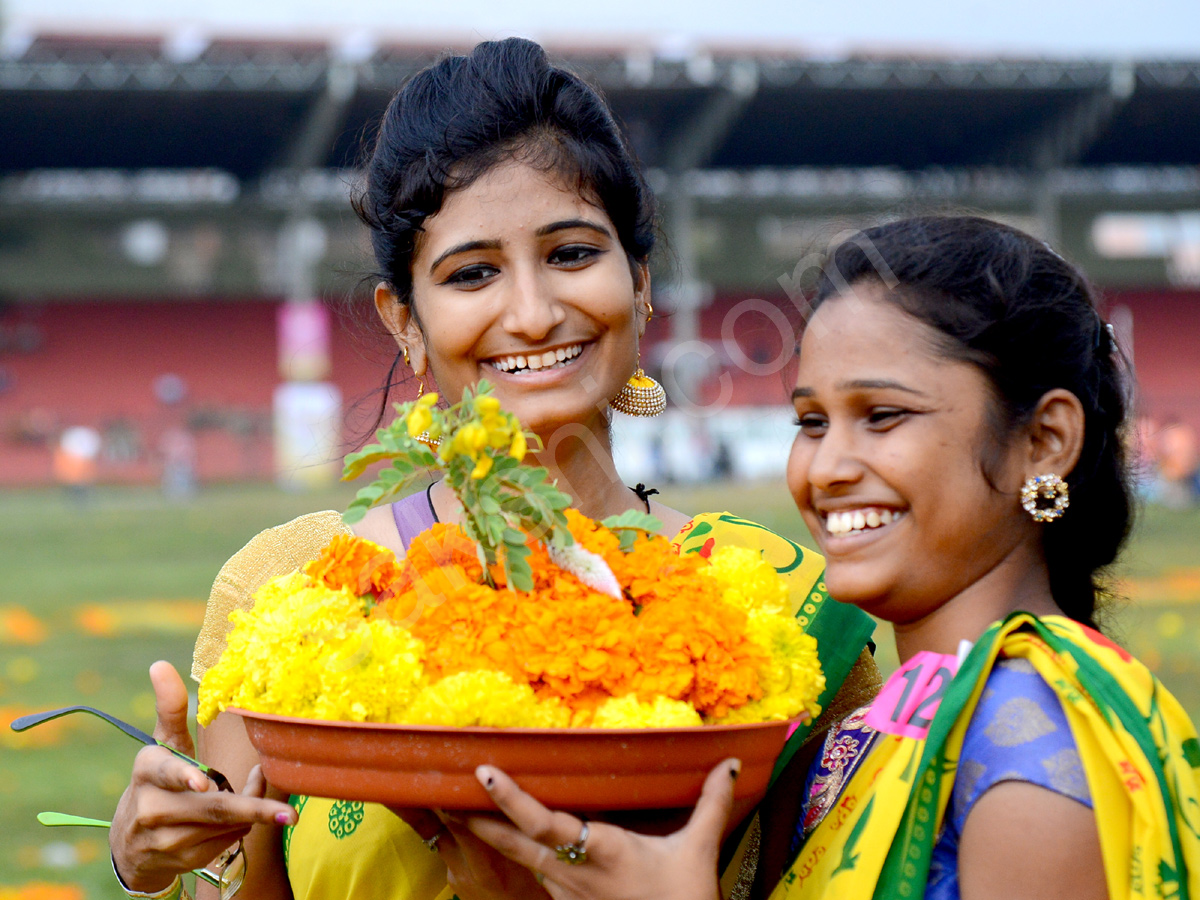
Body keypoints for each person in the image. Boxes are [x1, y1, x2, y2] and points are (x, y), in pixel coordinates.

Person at [105, 38, 879, 900]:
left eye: (574, 254)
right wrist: (161, 858)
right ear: (406, 320)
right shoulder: (290, 596)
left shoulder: (781, 611)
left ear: (642, 281)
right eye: (473, 273)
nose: (534, 312)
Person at [452, 216, 1200, 900]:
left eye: (882, 416)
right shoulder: (885, 722)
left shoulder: (1031, 753)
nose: (828, 466)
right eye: (811, 421)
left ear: (1044, 441)